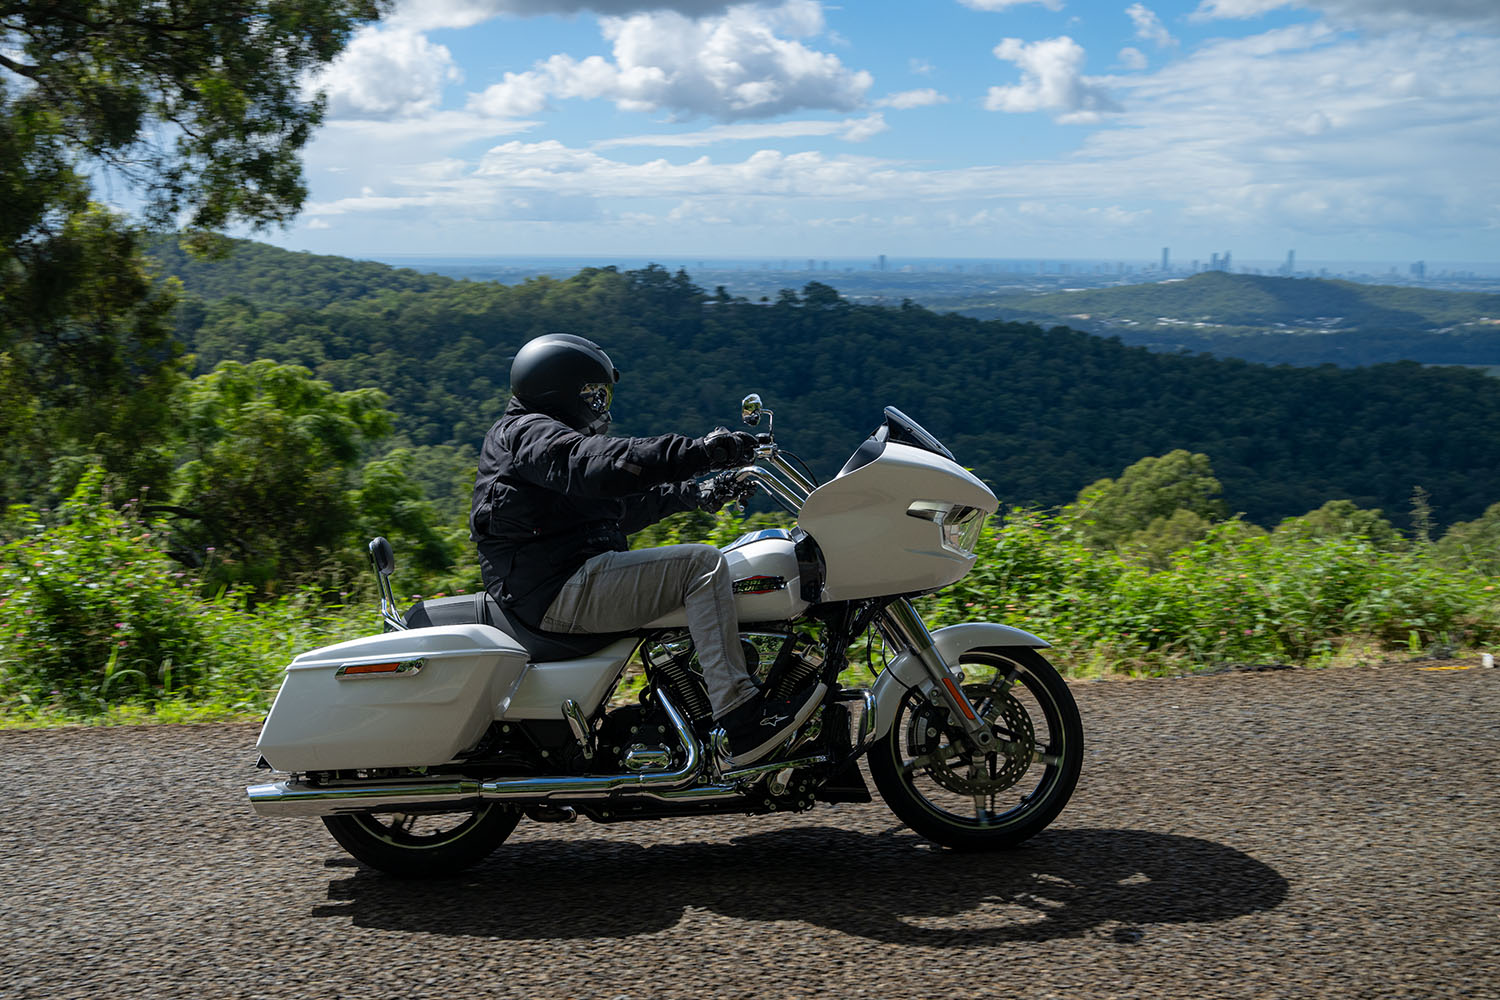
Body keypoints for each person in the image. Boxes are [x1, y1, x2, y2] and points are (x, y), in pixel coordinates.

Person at [471, 333, 825, 767]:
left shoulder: (534, 442)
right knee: (702, 567)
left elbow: (616, 506)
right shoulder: (531, 436)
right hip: (557, 590)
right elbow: (598, 465)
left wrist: (701, 491)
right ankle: (742, 719)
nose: (601, 403)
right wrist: (699, 453)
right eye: (593, 393)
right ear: (560, 388)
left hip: (560, 580)